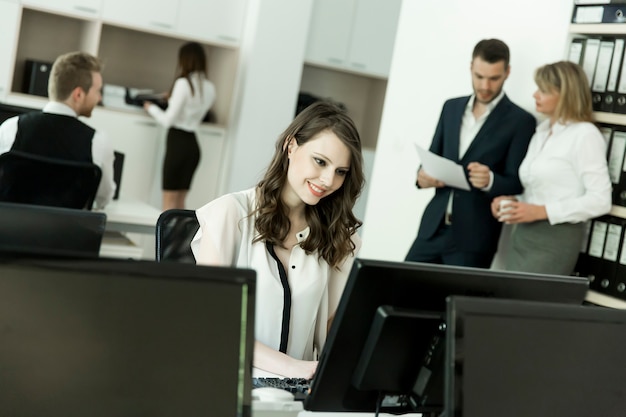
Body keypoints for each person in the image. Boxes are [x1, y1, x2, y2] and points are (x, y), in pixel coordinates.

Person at [191, 101, 365, 379]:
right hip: (228, 384)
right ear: (290, 145)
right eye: (320, 161)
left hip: (300, 394)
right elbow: (212, 320)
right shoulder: (230, 214)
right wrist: (295, 368)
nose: (328, 180)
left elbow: (334, 327)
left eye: (340, 171)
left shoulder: (340, 235)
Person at [405, 38, 536, 268]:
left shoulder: (521, 122)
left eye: (494, 78)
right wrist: (422, 176)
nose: (485, 86)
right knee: (398, 291)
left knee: (457, 304)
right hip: (432, 229)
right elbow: (433, 156)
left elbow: (518, 183)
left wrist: (490, 180)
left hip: (474, 240)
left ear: (507, 73)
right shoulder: (451, 108)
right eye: (479, 76)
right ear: (471, 69)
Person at [491, 61, 611, 275]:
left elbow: (601, 201)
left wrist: (541, 211)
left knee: (530, 306)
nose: (535, 95)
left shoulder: (585, 135)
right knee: (508, 304)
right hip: (523, 236)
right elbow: (540, 189)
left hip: (555, 240)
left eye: (544, 91)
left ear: (565, 95)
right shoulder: (542, 132)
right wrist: (514, 204)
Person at [0, 51, 116, 209]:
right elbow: (102, 199)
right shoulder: (98, 142)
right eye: (97, 91)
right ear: (79, 94)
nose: (99, 98)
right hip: (67, 233)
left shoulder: (11, 127)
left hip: (9, 232)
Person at [144, 41, 216, 211]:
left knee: (168, 202)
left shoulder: (183, 83)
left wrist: (151, 108)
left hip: (177, 142)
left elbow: (168, 120)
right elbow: (194, 108)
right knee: (180, 204)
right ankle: (179, 239)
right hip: (192, 145)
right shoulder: (210, 87)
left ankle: (164, 238)